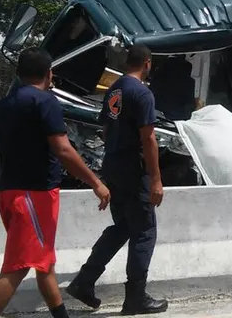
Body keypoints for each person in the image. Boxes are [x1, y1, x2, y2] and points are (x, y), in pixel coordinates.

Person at [0, 48, 111, 318]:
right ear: (49, 73)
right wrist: (96, 183)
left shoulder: (3, 105)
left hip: (9, 195)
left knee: (44, 264)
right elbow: (64, 150)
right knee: (18, 267)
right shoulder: (46, 102)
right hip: (34, 197)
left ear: (19, 74)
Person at [66, 44, 168, 315]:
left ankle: (84, 281)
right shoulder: (143, 93)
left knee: (123, 226)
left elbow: (106, 128)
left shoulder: (114, 89)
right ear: (147, 63)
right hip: (134, 170)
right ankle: (135, 297)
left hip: (113, 166)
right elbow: (148, 138)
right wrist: (156, 179)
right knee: (144, 232)